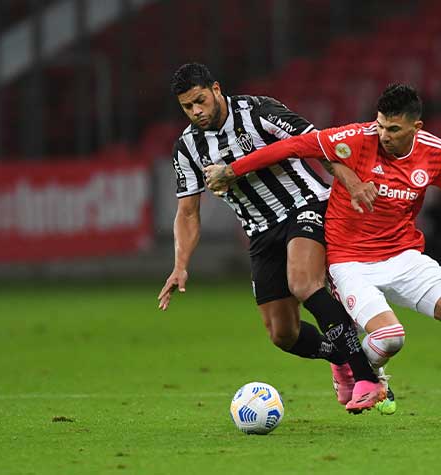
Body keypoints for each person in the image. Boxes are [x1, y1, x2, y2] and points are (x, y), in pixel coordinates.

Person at [205, 84, 441, 426]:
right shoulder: (354, 138)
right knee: (391, 338)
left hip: (404, 256)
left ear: (416, 128)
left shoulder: (436, 153)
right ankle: (353, 364)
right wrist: (233, 170)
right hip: (349, 261)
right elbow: (293, 146)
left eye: (393, 129)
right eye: (380, 125)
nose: (383, 134)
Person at [157, 63, 387, 413]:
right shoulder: (188, 147)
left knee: (303, 282)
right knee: (283, 334)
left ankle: (366, 378)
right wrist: (180, 265)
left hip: (305, 205)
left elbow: (320, 144)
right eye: (188, 107)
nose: (197, 112)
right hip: (260, 232)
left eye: (200, 101)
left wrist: (351, 184)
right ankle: (342, 355)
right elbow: (188, 212)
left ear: (216, 89)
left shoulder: (259, 111)